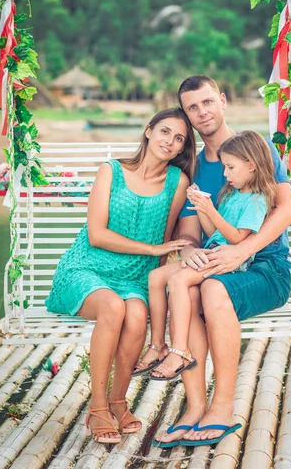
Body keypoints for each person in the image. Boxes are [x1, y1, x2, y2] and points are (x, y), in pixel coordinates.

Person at [155, 75, 291, 448]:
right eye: (192, 108)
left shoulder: (256, 149)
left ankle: (222, 406)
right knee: (185, 288)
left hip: (265, 267)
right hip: (220, 261)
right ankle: (195, 406)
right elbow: (190, 234)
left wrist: (244, 250)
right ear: (187, 115)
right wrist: (187, 251)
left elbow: (287, 209)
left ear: (221, 100)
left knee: (210, 289)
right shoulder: (195, 169)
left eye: (206, 102)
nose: (201, 112)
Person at [45, 107, 196, 444]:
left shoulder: (178, 181)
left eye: (179, 139)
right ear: (148, 131)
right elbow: (97, 234)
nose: (169, 142)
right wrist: (153, 250)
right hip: (86, 268)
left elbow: (168, 233)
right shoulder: (110, 171)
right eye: (164, 132)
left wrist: (160, 277)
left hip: (134, 277)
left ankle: (117, 401)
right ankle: (97, 408)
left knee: (137, 314)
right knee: (113, 308)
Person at [133, 131, 276, 387]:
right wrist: (201, 208)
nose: (226, 174)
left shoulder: (257, 199)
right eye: (224, 167)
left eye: (230, 168)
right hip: (212, 252)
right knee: (156, 277)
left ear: (251, 165)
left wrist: (210, 210)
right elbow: (214, 233)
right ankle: (158, 344)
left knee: (178, 281)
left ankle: (180, 351)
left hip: (227, 260)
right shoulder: (232, 193)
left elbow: (236, 239)